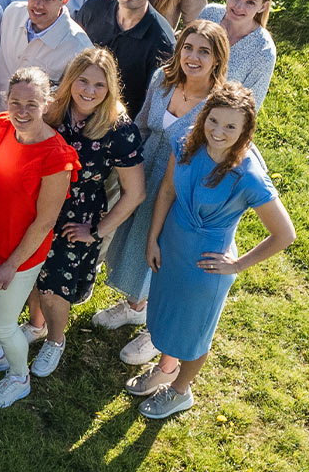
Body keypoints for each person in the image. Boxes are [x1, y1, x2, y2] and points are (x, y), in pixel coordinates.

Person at [133, 82, 296, 419]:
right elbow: (166, 192)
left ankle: (180, 391)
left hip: (206, 265)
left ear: (245, 130)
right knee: (167, 316)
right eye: (213, 121)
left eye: (231, 126)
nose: (218, 132)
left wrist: (236, 264)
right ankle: (165, 368)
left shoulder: (248, 176)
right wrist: (152, 240)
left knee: (194, 334)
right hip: (170, 247)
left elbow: (284, 234)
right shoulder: (186, 145)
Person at [97, 21, 232, 343]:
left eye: (204, 51)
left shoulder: (217, 103)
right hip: (144, 169)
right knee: (132, 239)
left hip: (181, 185)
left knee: (164, 248)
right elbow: (142, 124)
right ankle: (135, 304)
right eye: (188, 47)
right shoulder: (162, 80)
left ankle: (155, 323)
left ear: (218, 59)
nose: (193, 57)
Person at [24, 48, 146, 377]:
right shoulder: (51, 110)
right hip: (37, 206)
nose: (89, 91)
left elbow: (135, 193)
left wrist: (95, 231)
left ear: (110, 89)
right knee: (34, 272)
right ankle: (35, 326)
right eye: (83, 81)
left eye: (99, 85)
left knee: (55, 288)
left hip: (78, 216)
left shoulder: (118, 129)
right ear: (69, 80)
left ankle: (55, 340)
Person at [0, 68, 76, 409]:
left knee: (4, 321)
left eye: (31, 105)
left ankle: (18, 376)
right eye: (16, 103)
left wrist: (12, 264)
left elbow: (45, 222)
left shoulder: (57, 156)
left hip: (20, 254)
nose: (22, 112)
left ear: (47, 103)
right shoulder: (2, 125)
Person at [75, 0, 175, 119]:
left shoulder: (161, 41)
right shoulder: (92, 9)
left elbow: (154, 100)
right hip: (77, 107)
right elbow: (71, 59)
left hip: (119, 121)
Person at [0, 0, 93, 118]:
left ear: (65, 0)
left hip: (33, 134)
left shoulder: (78, 47)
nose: (38, 5)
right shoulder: (12, 13)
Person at [199, 0, 278, 109]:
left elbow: (249, 108)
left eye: (250, 3)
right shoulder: (209, 14)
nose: (239, 6)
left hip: (218, 118)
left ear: (263, 7)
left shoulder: (263, 51)